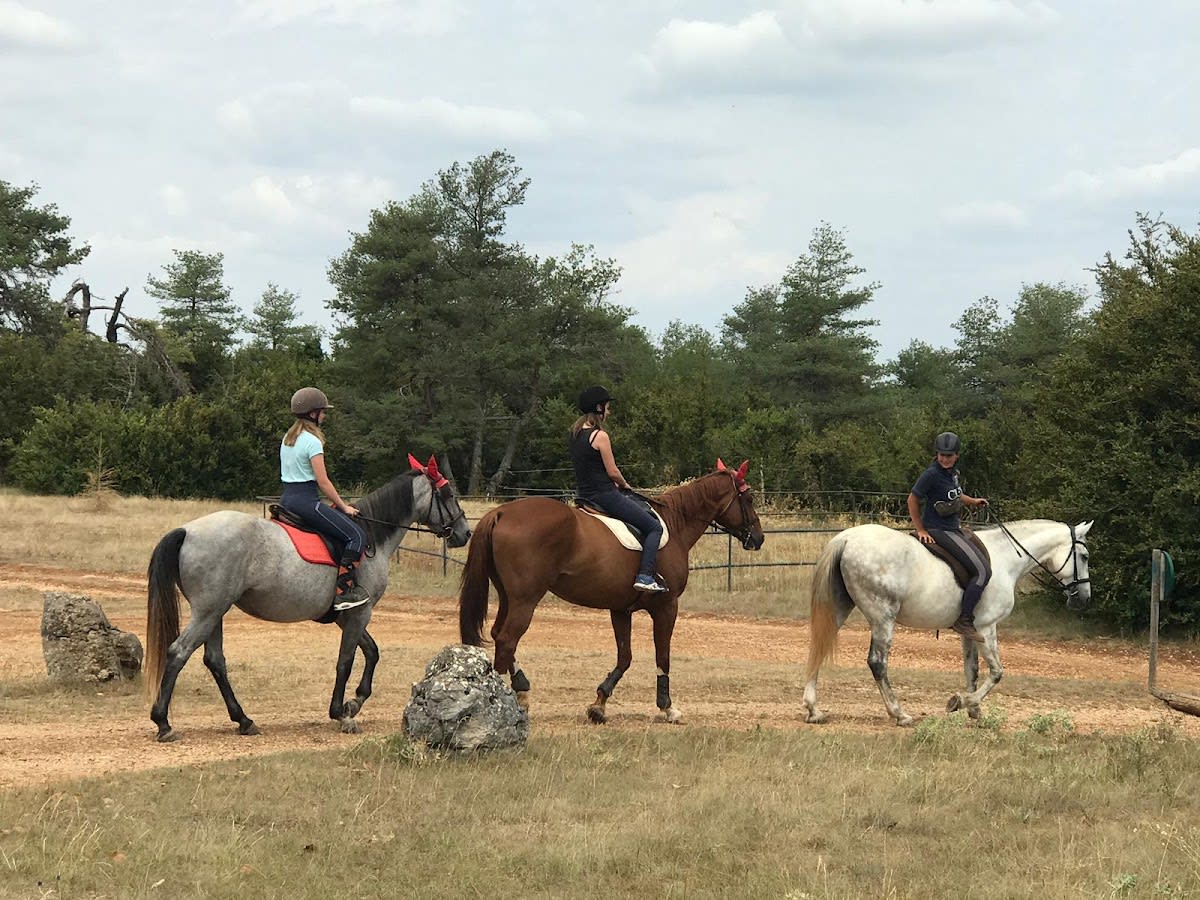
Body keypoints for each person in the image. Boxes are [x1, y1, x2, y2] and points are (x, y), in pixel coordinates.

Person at [569, 385, 667, 593]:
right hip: (605, 496)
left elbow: (590, 468)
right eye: (607, 407)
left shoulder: (575, 433)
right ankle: (645, 575)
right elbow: (612, 472)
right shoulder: (600, 436)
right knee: (653, 527)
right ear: (599, 408)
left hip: (584, 496)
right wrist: (624, 484)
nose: (609, 412)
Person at [279, 387, 370, 610]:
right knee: (357, 536)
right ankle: (344, 591)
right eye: (323, 412)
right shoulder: (312, 441)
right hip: (306, 502)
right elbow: (323, 482)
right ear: (313, 414)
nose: (325, 416)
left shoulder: (288, 439)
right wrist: (343, 507)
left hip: (286, 500)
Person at [907, 431, 990, 642]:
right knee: (982, 572)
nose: (945, 459)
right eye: (942, 455)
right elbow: (912, 499)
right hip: (939, 530)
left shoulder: (952, 474)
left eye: (949, 455)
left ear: (956, 455)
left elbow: (956, 494)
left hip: (953, 528)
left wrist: (973, 501)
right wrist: (921, 529)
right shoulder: (931, 475)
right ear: (937, 454)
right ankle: (964, 620)